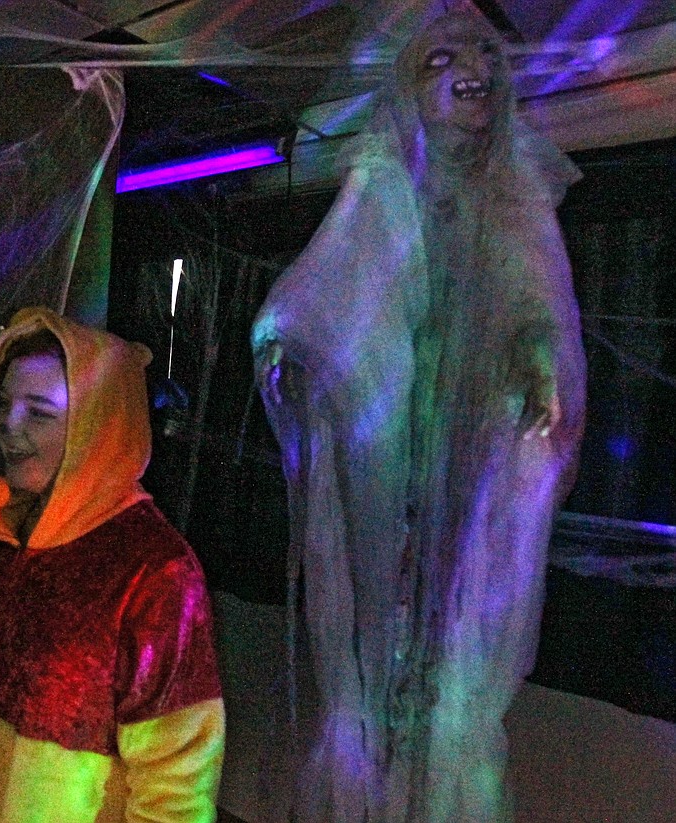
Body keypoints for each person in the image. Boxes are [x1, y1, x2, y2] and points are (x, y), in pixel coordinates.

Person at [250, 11, 584, 823]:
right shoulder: (383, 188)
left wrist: (539, 362)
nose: (472, 67)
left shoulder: (515, 197)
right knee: (378, 648)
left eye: (483, 54)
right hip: (387, 464)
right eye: (443, 56)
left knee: (452, 658)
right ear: (409, 86)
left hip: (470, 465)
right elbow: (317, 299)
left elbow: (535, 304)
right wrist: (296, 357)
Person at [0, 306, 225, 823]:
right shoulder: (5, 543)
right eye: (3, 404)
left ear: (100, 428)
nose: (8, 424)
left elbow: (176, 781)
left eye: (40, 412)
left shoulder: (154, 574)